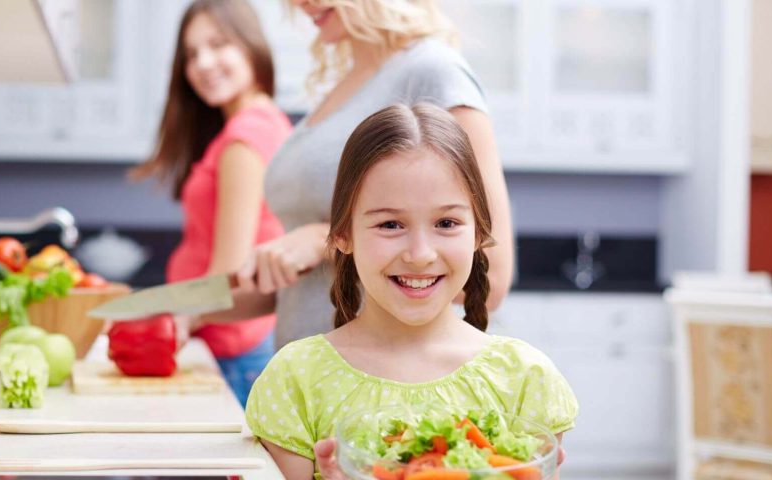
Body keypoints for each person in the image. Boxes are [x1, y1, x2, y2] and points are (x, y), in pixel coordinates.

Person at [245, 104, 578, 479]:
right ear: (342, 235)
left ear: (479, 234)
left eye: (446, 223)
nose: (420, 255)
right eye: (390, 224)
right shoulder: (295, 380)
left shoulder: (525, 379)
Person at [200, 0, 515, 350]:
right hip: (305, 373)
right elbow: (300, 286)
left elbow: (491, 278)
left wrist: (322, 240)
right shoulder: (345, 84)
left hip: (380, 376)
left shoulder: (434, 72)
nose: (299, 3)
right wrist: (181, 308)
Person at [131, 0, 292, 406]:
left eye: (218, 44)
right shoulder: (261, 123)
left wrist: (163, 319)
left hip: (233, 352)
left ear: (250, 45)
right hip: (235, 345)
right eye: (191, 54)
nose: (203, 63)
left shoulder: (245, 138)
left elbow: (228, 272)